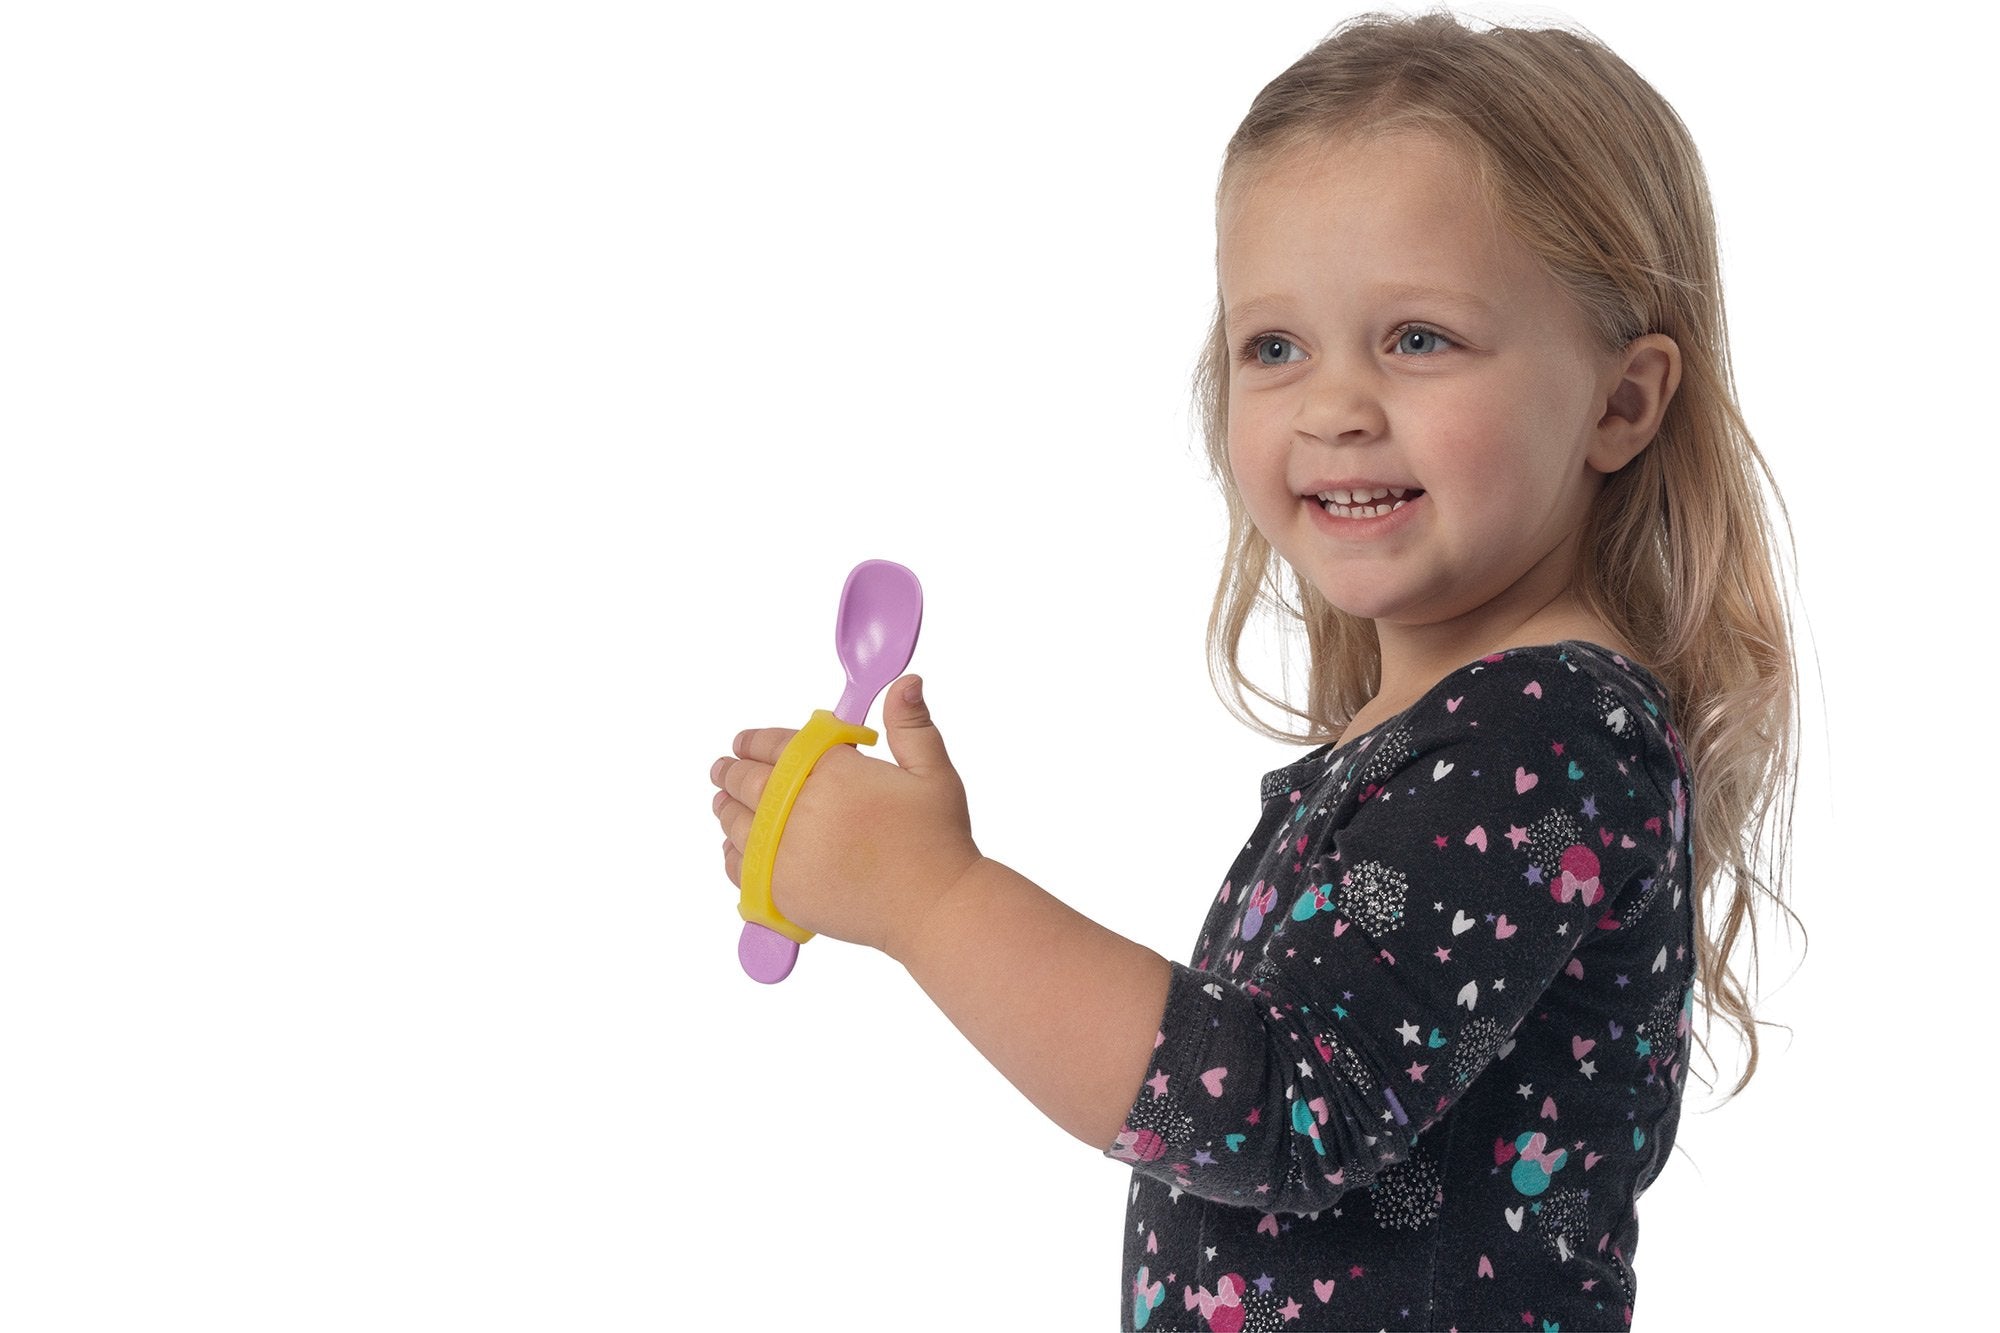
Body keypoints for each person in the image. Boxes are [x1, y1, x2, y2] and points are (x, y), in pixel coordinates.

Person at [706, 9, 1797, 1329]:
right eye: (1274, 346)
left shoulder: (1545, 733)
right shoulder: (1440, 732)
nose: (1332, 403)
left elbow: (1278, 1099)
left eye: (1418, 337)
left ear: (1621, 403)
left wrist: (932, 898)